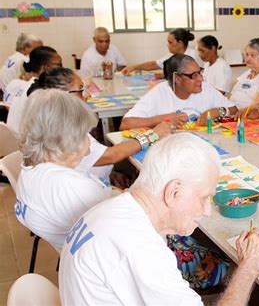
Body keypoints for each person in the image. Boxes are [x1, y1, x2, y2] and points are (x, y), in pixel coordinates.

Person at [60, 133, 259, 306]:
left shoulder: (111, 208)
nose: (207, 211)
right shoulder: (141, 248)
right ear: (173, 192)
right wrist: (249, 265)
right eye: (204, 198)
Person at [26, 67, 173, 186]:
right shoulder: (62, 132)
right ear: (64, 96)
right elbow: (111, 155)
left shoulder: (55, 122)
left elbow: (90, 162)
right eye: (81, 90)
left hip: (96, 183)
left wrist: (108, 175)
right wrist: (152, 135)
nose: (87, 95)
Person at [14, 89, 114, 250]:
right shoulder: (71, 186)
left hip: (75, 243)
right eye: (85, 135)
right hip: (99, 250)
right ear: (65, 137)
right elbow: (117, 226)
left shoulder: (33, 170)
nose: (88, 148)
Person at [120, 54, 237, 130]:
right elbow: (126, 124)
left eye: (200, 73)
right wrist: (165, 119)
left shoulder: (206, 89)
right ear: (177, 79)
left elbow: (233, 109)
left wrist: (218, 111)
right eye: (193, 75)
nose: (201, 79)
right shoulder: (160, 93)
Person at [6, 46, 62, 135]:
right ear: (46, 67)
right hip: (24, 142)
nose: (61, 69)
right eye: (59, 65)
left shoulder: (26, 85)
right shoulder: (37, 89)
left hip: (14, 139)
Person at [121, 28, 203, 76]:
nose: (167, 45)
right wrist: (134, 67)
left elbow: (193, 75)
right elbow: (154, 64)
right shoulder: (172, 55)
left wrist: (166, 76)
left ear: (180, 43)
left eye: (170, 42)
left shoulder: (193, 55)